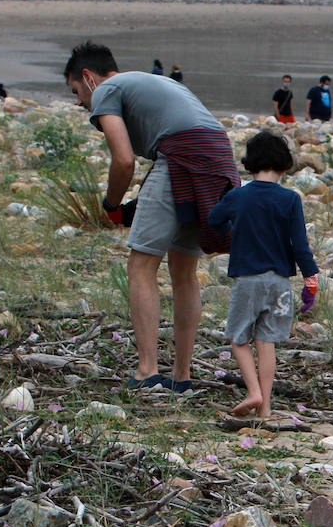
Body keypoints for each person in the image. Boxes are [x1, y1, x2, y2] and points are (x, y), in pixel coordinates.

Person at [63, 40, 239, 392]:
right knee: (184, 270)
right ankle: (182, 376)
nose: (80, 102)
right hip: (219, 157)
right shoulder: (159, 82)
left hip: (181, 154)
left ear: (88, 77)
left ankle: (147, 371)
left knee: (141, 264)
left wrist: (111, 206)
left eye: (76, 91)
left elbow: (124, 160)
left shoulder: (107, 90)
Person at [207, 131, 318, 417]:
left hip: (248, 279)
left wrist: (232, 232)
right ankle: (265, 409)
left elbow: (214, 219)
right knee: (266, 342)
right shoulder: (290, 199)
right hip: (279, 281)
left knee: (238, 338)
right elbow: (300, 245)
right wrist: (311, 280)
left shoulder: (238, 196)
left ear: (250, 164)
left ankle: (254, 392)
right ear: (284, 166)